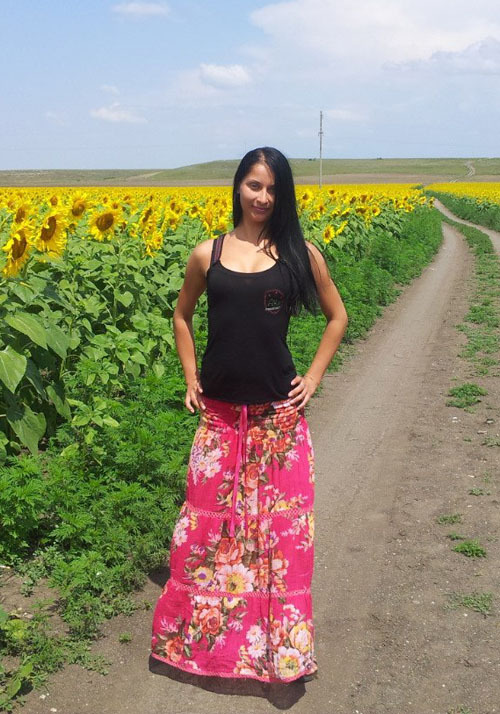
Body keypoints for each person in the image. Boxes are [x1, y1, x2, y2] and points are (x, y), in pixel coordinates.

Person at [150, 147, 348, 684]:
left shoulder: (300, 254)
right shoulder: (207, 254)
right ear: (238, 186)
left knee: (279, 539)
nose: (262, 197)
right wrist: (190, 376)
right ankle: (203, 645)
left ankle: (278, 653)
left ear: (283, 196)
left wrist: (314, 378)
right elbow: (182, 315)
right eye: (254, 185)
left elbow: (338, 317)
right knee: (204, 532)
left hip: (278, 420)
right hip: (218, 417)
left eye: (272, 189)